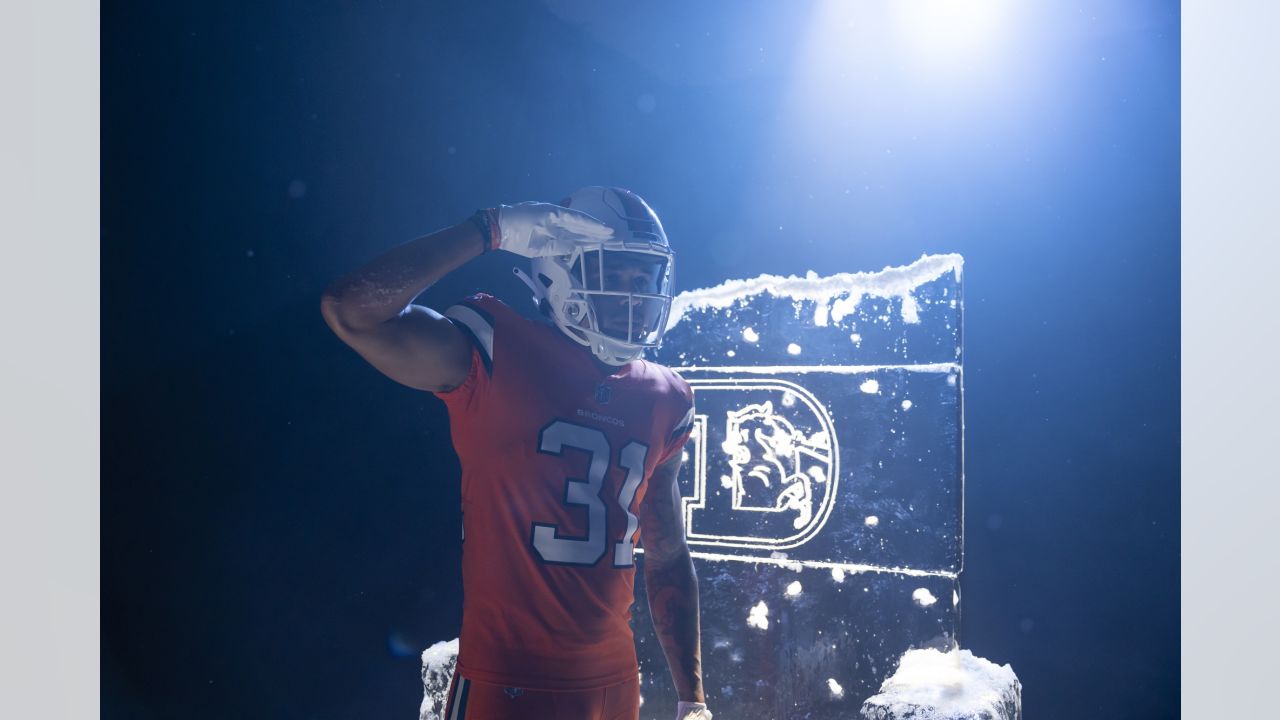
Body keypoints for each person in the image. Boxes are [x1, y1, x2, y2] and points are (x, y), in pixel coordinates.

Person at [320, 187, 711, 720]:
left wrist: (693, 697)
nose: (633, 296)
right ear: (562, 274)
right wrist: (487, 231)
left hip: (615, 685)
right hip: (508, 686)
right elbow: (350, 311)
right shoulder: (495, 345)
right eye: (613, 274)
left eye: (642, 278)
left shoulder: (668, 396)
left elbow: (666, 553)